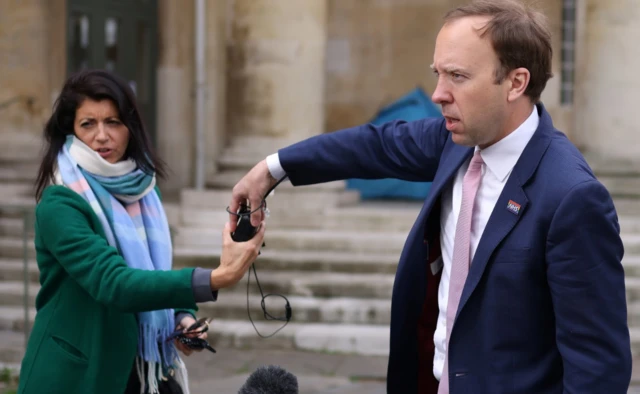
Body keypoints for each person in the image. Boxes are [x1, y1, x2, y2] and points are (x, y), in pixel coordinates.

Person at [229, 1, 632, 393]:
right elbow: (373, 146)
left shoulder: (573, 198)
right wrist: (273, 168)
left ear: (516, 82)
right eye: (437, 73)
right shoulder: (455, 141)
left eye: (457, 76)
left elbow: (597, 368)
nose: (438, 93)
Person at [18, 69, 266, 394]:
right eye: (88, 124)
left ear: (130, 127)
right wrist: (216, 278)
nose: (102, 135)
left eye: (114, 122)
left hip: (146, 370)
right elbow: (115, 283)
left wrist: (182, 317)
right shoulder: (60, 202)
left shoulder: (144, 190)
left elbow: (152, 271)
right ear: (71, 131)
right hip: (80, 374)